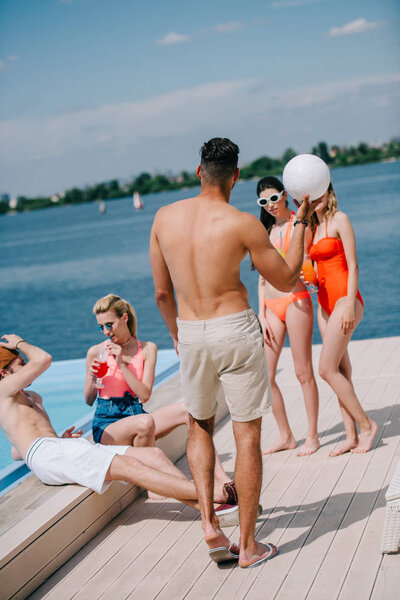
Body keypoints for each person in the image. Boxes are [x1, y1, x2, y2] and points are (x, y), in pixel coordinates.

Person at [149, 137, 320, 567]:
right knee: (247, 434)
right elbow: (285, 279)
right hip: (234, 328)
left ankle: (209, 524)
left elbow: (161, 293)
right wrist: (300, 222)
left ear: (198, 171)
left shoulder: (163, 218)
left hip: (190, 330)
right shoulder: (243, 223)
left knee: (198, 426)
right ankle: (248, 546)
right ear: (237, 177)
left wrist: (177, 335)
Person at [0, 334, 239, 529]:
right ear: (5, 373)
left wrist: (55, 439)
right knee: (131, 468)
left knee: (152, 456)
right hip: (50, 454)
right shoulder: (3, 391)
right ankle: (219, 494)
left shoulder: (31, 397)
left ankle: (213, 511)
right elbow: (43, 359)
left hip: (59, 449)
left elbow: (15, 451)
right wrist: (20, 343)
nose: (25, 365)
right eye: (20, 364)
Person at [84, 294, 238, 510]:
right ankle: (154, 487)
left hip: (136, 413)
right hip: (108, 426)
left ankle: (221, 478)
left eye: (109, 325)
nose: (106, 332)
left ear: (124, 318)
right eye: (101, 327)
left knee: (189, 410)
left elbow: (144, 394)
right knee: (144, 422)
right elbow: (88, 400)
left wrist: (122, 365)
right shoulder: (96, 352)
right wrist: (92, 378)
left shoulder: (147, 349)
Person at [309, 183, 378, 456]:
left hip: (344, 302)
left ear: (329, 191)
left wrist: (349, 305)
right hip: (323, 306)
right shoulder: (311, 228)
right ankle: (350, 436)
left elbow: (353, 265)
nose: (316, 198)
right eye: (310, 195)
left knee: (326, 369)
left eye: (320, 192)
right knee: (341, 370)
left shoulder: (341, 219)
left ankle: (367, 425)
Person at [256, 176, 320, 456]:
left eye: (273, 198)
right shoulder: (263, 230)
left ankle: (313, 435)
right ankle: (286, 435)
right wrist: (260, 312)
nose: (269, 205)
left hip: (296, 301)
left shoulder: (300, 222)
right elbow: (261, 278)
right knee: (266, 376)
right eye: (263, 201)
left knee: (302, 371)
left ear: (283, 195)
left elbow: (308, 256)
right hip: (271, 307)